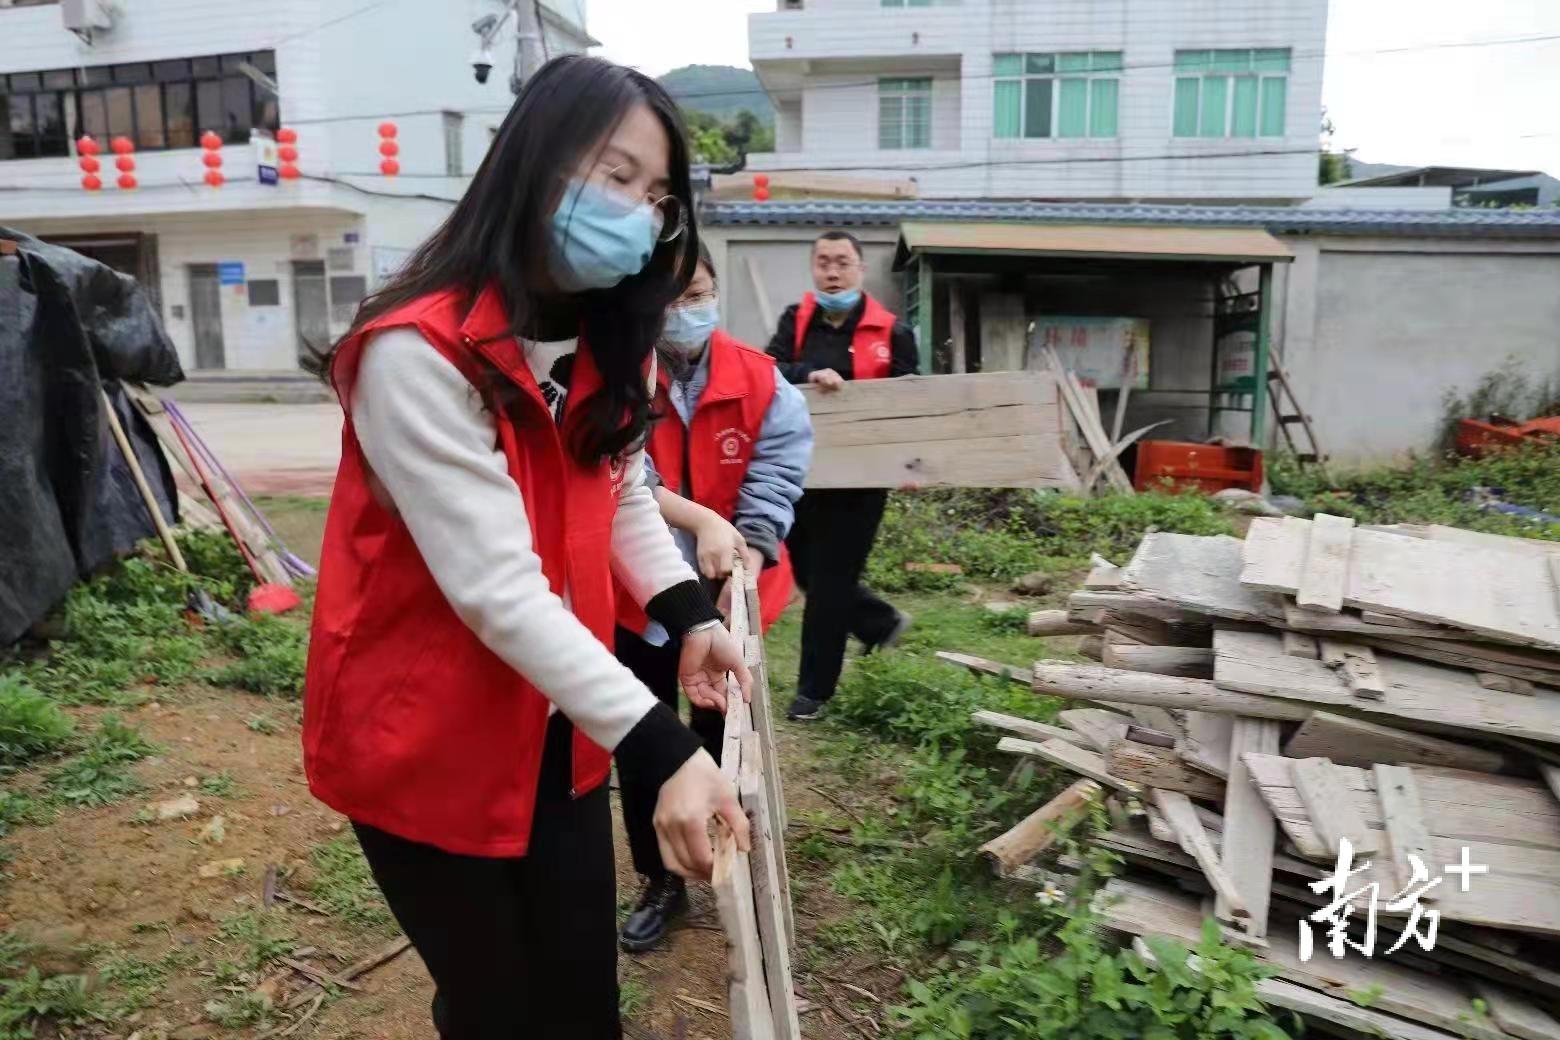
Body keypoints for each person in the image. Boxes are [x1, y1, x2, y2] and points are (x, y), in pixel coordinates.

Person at [301, 55, 752, 1039]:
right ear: (533, 162)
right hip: (425, 740)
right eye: (616, 173)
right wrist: (666, 742)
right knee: (496, 1005)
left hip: (559, 722)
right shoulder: (416, 353)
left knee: (583, 996)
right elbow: (495, 587)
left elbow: (620, 485)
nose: (638, 208)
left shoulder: (600, 338)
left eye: (659, 193)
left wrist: (684, 613)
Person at [615, 241, 812, 953]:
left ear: (716, 294)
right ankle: (661, 880)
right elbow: (620, 488)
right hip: (634, 594)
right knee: (645, 737)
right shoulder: (616, 375)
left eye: (696, 294)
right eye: (668, 299)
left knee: (724, 732)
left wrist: (750, 547)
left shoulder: (760, 380)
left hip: (731, 590)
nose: (683, 312)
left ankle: (733, 864)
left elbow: (779, 466)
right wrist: (691, 538)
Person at [766, 230, 919, 722]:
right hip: (800, 472)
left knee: (830, 583)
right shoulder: (797, 319)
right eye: (823, 261)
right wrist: (808, 372)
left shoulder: (893, 331)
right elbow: (768, 370)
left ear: (860, 269)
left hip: (861, 479)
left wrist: (910, 461)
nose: (832, 271)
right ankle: (879, 622)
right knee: (808, 574)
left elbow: (913, 403)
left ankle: (813, 692)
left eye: (843, 262)